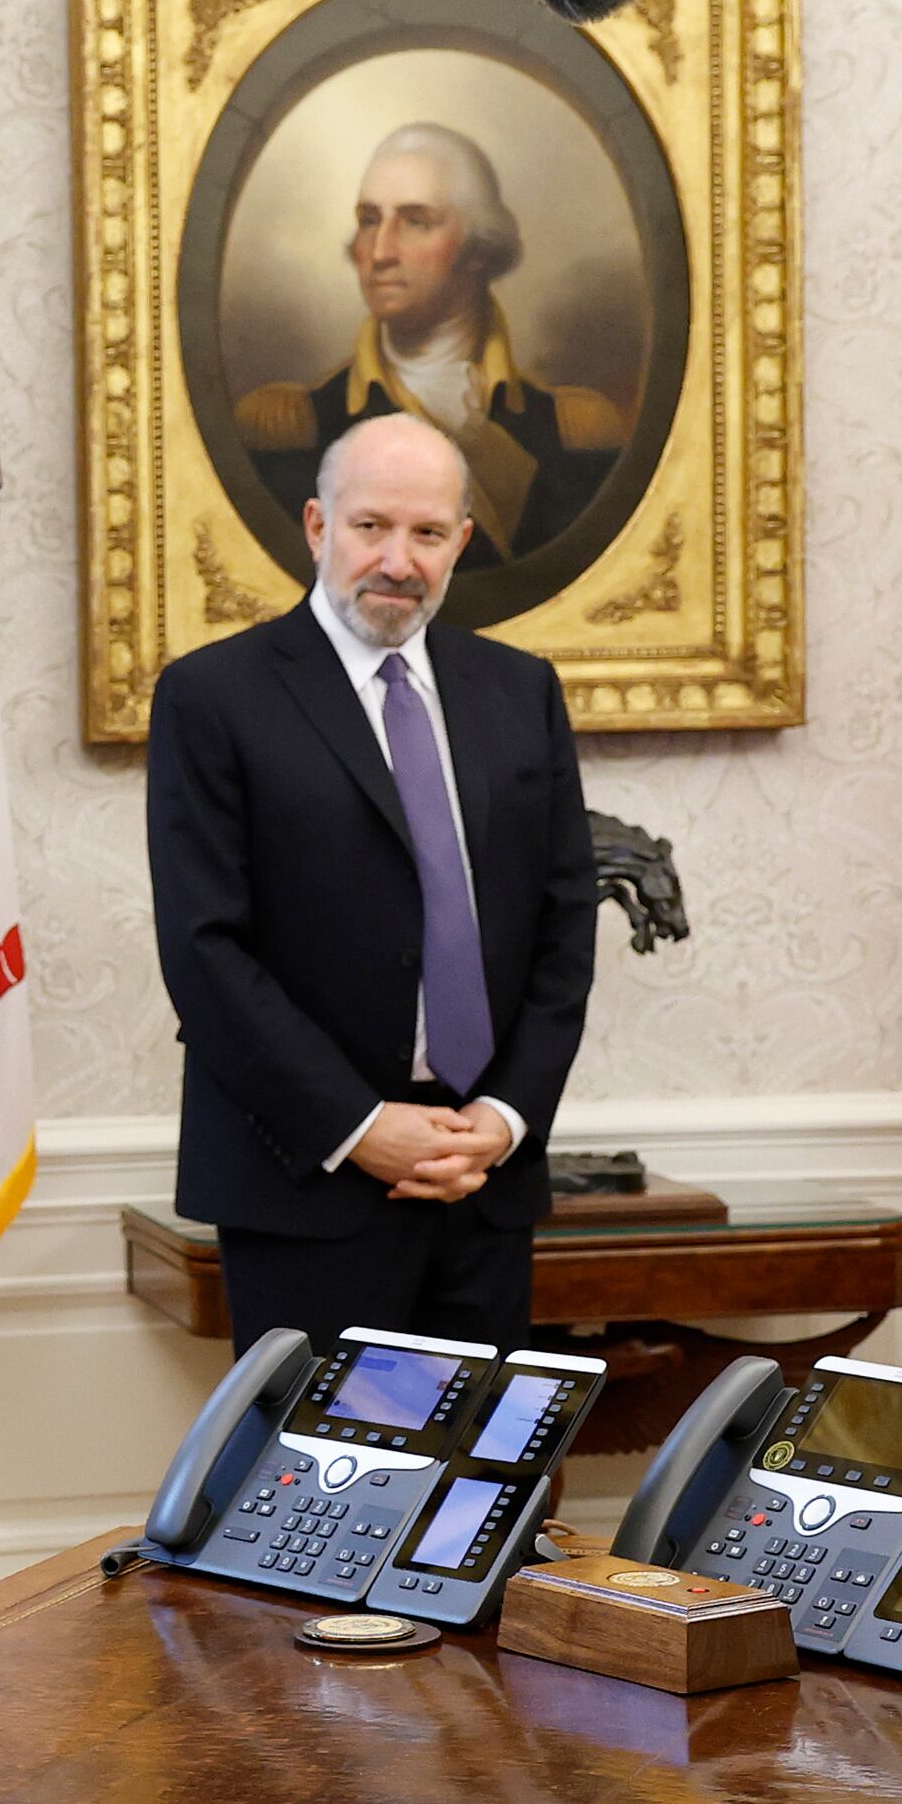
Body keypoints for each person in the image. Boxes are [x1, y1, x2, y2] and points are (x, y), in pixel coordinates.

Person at [145, 410, 595, 1364]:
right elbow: (205, 952)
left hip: (482, 1182)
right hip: (306, 1184)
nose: (398, 560)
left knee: (483, 1460)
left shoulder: (520, 691)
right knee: (320, 1464)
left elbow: (564, 932)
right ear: (318, 526)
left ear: (461, 541)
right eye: (371, 527)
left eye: (427, 533)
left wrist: (503, 1119)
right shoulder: (215, 696)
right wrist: (360, 1127)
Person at [233, 123, 636, 568]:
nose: (380, 252)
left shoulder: (574, 431)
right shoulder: (290, 428)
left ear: (478, 249)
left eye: (416, 221)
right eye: (370, 220)